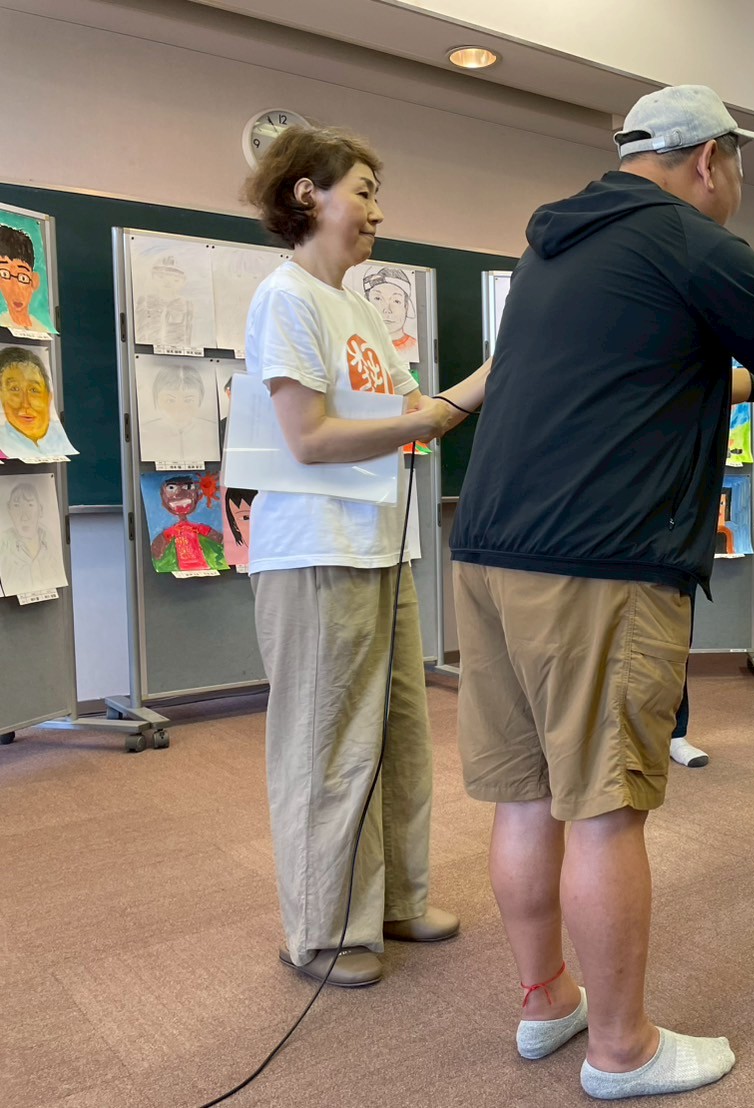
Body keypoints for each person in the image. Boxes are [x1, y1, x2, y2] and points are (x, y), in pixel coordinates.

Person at [450, 84, 754, 1100]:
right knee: (604, 808)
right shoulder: (694, 243)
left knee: (526, 793)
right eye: (739, 162)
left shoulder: (553, 248)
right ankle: (621, 1050)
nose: (738, 181)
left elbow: (649, 373)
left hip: (490, 551)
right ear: (710, 158)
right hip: (598, 562)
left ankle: (546, 1002)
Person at [241, 123, 490, 988]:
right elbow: (309, 439)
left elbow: (419, 412)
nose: (378, 212)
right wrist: (436, 414)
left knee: (396, 737)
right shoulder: (286, 297)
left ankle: (392, 901)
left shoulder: (358, 307)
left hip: (381, 546)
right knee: (327, 744)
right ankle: (323, 931)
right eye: (364, 192)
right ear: (306, 193)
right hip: (315, 551)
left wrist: (489, 379)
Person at [669, 364, 754, 769]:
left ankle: (675, 733)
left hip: (672, 536)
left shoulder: (690, 377)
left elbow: (722, 383)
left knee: (672, 642)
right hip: (605, 536)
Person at [0, 346, 73, 460]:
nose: (25, 404)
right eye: (14, 389)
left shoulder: (58, 440)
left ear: (49, 398)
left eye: (34, 390)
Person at [148, 472, 227, 573]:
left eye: (188, 487)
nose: (180, 494)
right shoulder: (173, 531)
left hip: (201, 566)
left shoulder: (197, 528)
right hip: (182, 568)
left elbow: (218, 538)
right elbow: (157, 549)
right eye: (171, 488)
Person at [141, 363, 220, 461]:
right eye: (170, 400)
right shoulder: (144, 432)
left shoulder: (213, 430)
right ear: (157, 399)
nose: (179, 409)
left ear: (200, 399)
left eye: (188, 400)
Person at [0, 480, 64, 594]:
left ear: (40, 510)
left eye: (30, 505)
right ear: (9, 509)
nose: (24, 516)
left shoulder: (49, 540)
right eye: (16, 506)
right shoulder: (4, 543)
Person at [363, 266, 418, 361]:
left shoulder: (414, 347)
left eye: (396, 301)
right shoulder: (358, 346)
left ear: (406, 306)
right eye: (378, 299)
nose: (387, 309)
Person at [0, 226, 42, 333]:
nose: (15, 289)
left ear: (34, 281)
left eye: (23, 278)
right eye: (5, 274)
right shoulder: (3, 323)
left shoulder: (40, 328)